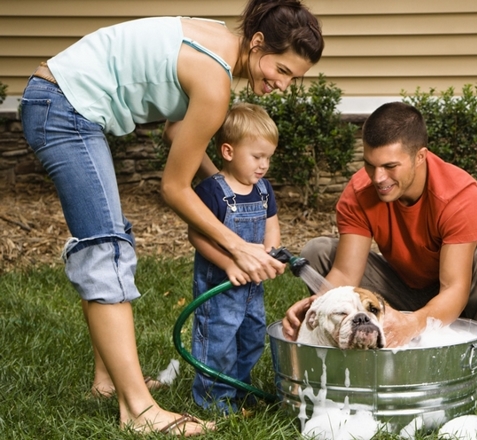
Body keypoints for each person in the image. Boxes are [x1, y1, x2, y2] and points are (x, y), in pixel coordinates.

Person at [20, 0, 324, 435]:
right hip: (62, 109)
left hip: (56, 100)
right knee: (105, 248)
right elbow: (173, 188)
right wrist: (238, 247)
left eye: (294, 78)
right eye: (283, 70)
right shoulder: (216, 80)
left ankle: (107, 385)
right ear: (258, 43)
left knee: (109, 240)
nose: (283, 84)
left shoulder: (216, 40)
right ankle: (139, 412)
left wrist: (221, 184)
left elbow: (176, 131)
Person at [282, 102, 477, 377]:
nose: (378, 178)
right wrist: (316, 305)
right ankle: (343, 357)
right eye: (370, 165)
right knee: (319, 250)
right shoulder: (360, 191)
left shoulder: (458, 193)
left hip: (458, 298)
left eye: (390, 166)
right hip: (400, 288)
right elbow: (346, 272)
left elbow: (454, 288)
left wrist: (412, 324)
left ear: (420, 157)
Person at [189, 102, 280, 414]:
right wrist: (228, 263)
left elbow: (272, 227)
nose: (264, 165)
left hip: (252, 288)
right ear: (228, 152)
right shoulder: (212, 192)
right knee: (219, 342)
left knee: (252, 338)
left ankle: (239, 389)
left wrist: (272, 254)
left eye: (268, 157)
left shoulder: (263, 190)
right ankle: (215, 400)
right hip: (221, 287)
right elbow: (197, 236)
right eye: (257, 157)